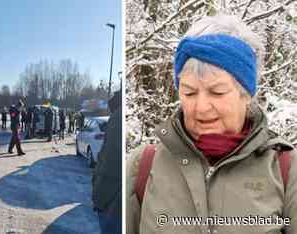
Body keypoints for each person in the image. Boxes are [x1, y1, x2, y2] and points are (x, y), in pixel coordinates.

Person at [126, 14, 297, 234]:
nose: (201, 107)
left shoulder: (286, 169)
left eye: (217, 92)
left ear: (246, 94)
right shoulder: (143, 165)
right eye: (189, 92)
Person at [92, 89, 122, 234]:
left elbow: (107, 162)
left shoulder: (118, 118)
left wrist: (98, 195)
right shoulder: (117, 117)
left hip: (111, 200)